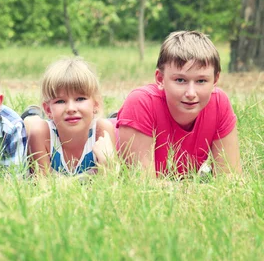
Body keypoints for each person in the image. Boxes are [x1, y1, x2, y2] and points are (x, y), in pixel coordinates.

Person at [117, 30, 241, 177]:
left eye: (201, 81)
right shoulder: (141, 102)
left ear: (215, 80)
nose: (191, 93)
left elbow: (230, 179)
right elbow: (143, 186)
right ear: (160, 79)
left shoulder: (219, 103)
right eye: (180, 80)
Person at [23, 58, 115, 175]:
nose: (71, 108)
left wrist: (107, 163)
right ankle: (32, 114)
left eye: (80, 99)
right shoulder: (40, 134)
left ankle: (114, 116)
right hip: (42, 127)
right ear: (47, 109)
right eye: (60, 101)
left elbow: (111, 185)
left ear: (95, 104)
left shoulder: (102, 130)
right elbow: (42, 186)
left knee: (114, 123)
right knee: (30, 124)